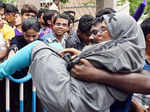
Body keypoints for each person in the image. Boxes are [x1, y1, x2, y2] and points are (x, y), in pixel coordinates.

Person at [0, 12, 146, 112]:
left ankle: (2, 71)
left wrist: (93, 72)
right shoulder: (132, 55)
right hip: (84, 102)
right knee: (55, 47)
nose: (95, 36)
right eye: (96, 31)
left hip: (72, 100)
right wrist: (82, 56)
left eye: (104, 29)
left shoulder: (118, 53)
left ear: (119, 31)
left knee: (37, 47)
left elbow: (78, 69)